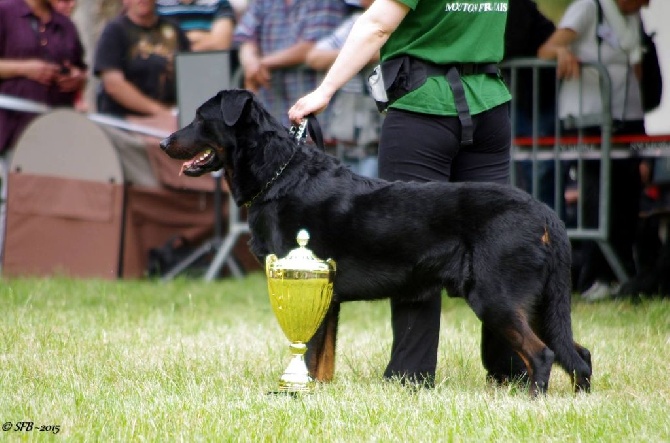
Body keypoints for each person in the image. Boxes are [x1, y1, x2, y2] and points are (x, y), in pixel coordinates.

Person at [289, 0, 514, 387]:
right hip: (490, 104)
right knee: (494, 243)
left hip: (423, 107)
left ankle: (412, 374)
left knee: (411, 244)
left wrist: (325, 90)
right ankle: (512, 369)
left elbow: (377, 24)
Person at [538, 0, 650, 301]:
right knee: (595, 200)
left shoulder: (633, 16)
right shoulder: (588, 6)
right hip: (587, 120)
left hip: (626, 119)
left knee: (627, 200)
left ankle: (619, 276)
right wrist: (562, 52)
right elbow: (546, 50)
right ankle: (591, 277)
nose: (648, 4)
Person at [233, 0, 348, 126]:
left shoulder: (326, 2)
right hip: (270, 114)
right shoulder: (262, 2)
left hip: (316, 118)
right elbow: (245, 38)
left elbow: (313, 47)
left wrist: (263, 64)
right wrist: (251, 62)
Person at [0, 0, 87, 158]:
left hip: (60, 131)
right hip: (16, 130)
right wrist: (24, 69)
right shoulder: (5, 11)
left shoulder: (65, 24)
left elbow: (82, 70)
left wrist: (77, 77)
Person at [305, 0, 380, 178]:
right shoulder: (356, 22)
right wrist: (359, 53)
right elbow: (314, 57)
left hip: (383, 134)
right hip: (349, 138)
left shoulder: (405, 24)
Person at [93, 0, 190, 118]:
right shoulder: (115, 31)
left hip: (173, 113)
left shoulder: (174, 30)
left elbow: (189, 75)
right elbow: (113, 84)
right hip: (125, 118)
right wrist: (158, 111)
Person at [156, 0, 235, 52]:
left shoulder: (219, 3)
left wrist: (178, 42)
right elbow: (155, 44)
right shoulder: (158, 4)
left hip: (208, 66)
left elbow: (221, 44)